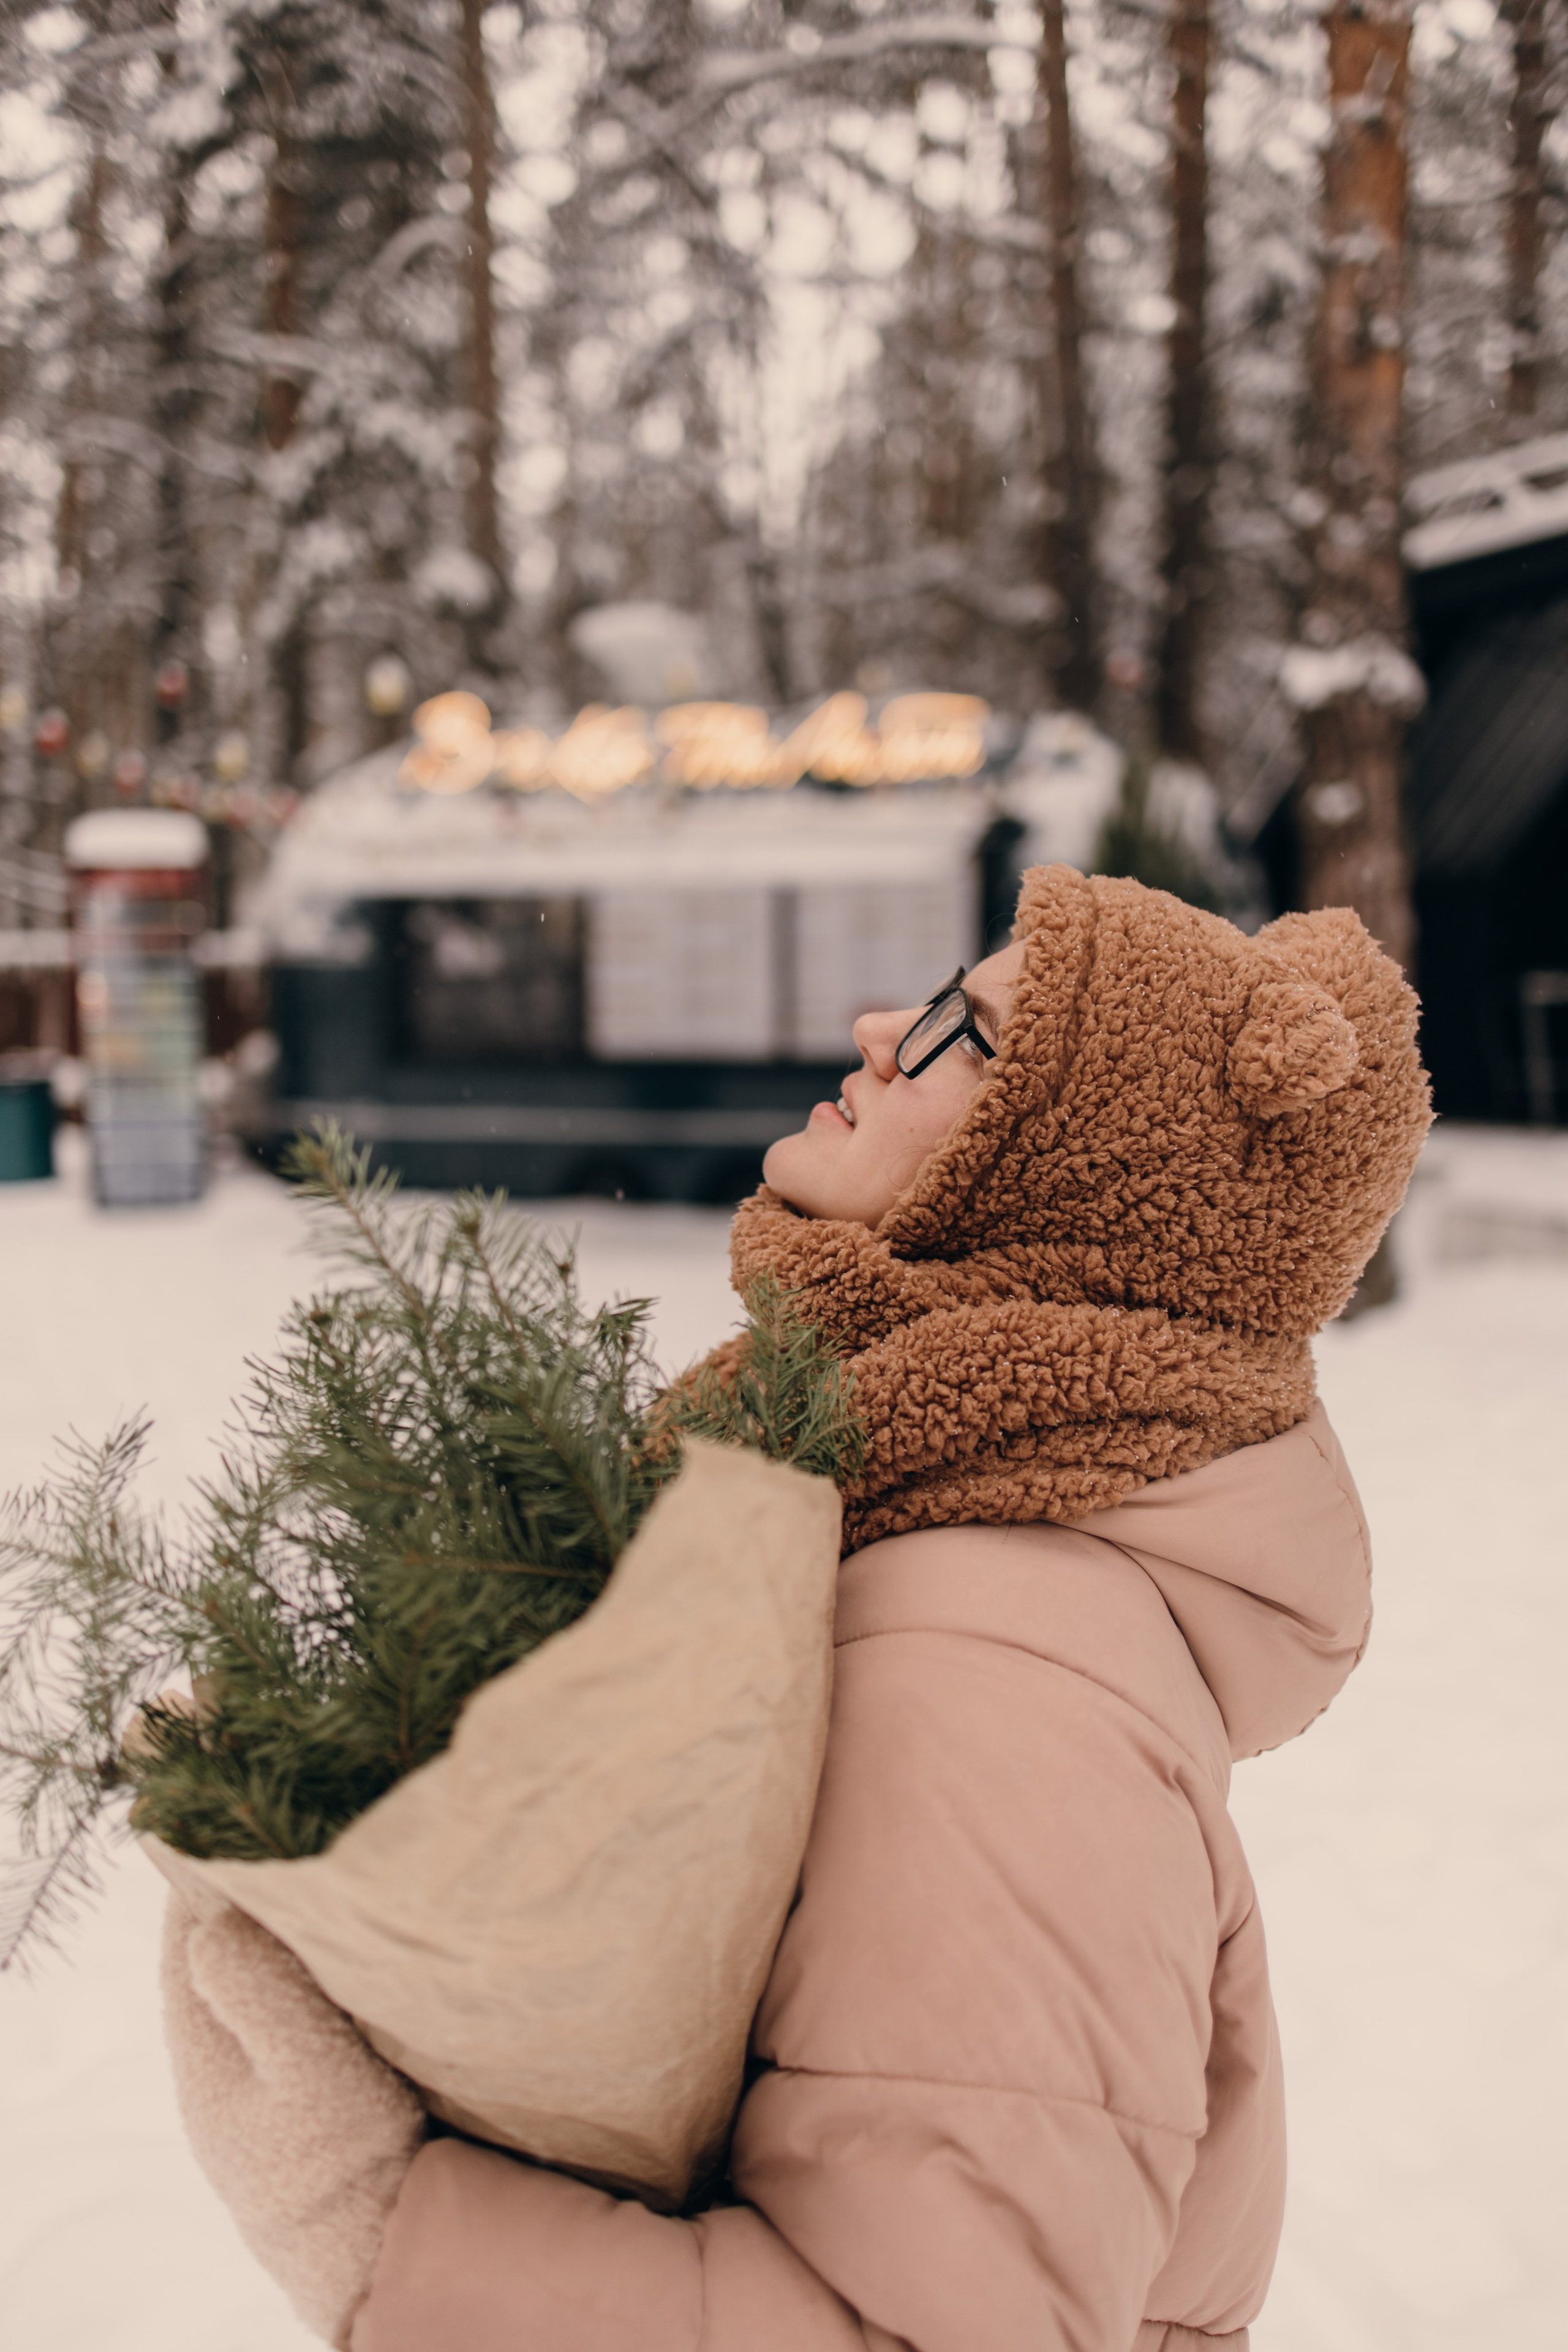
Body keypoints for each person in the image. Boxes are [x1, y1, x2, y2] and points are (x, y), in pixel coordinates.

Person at [162, 865, 1430, 2352]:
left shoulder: (1002, 1664)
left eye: (972, 1032)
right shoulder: (907, 1515)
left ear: (1075, 1173)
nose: (882, 1025)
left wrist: (368, 2220)